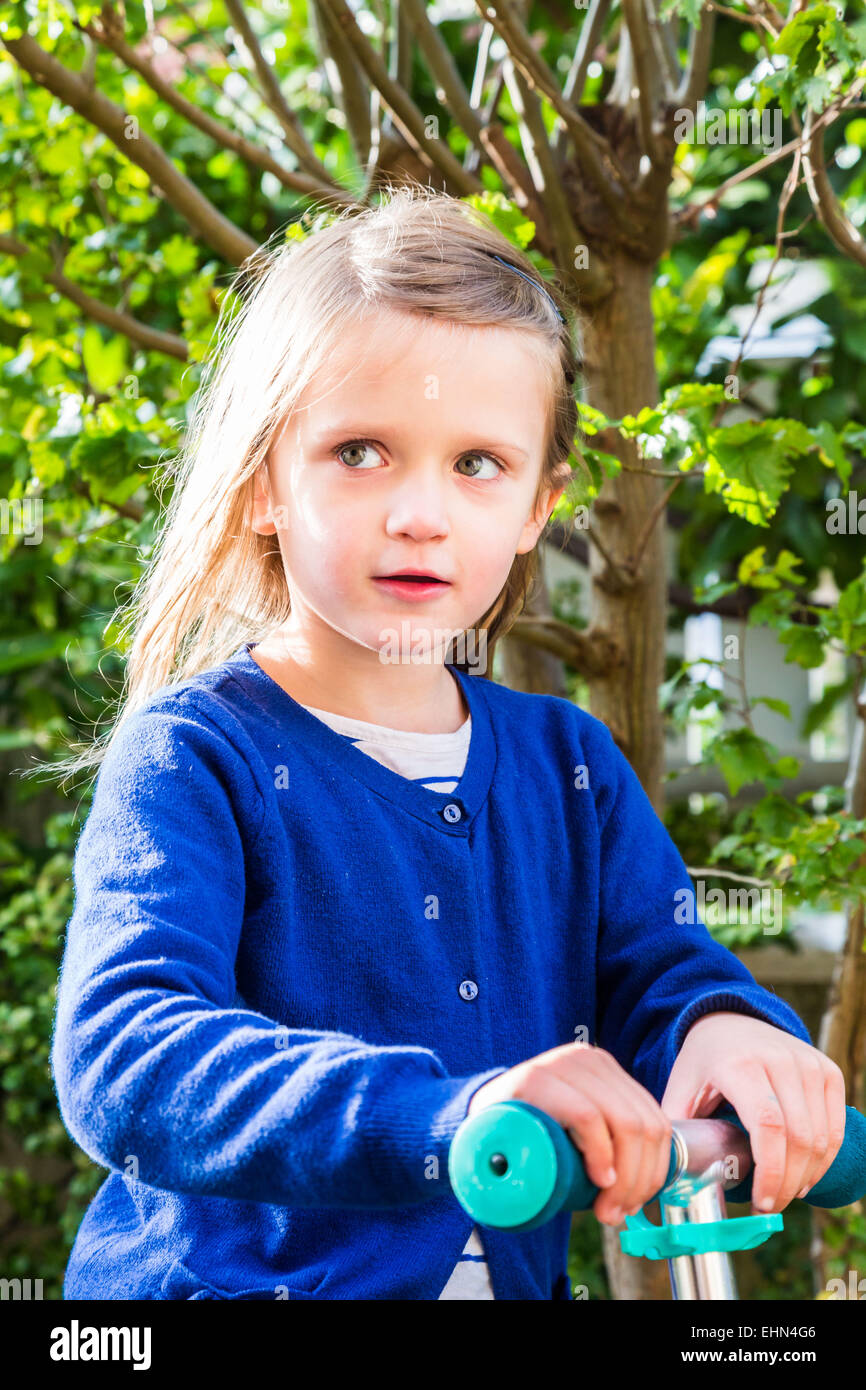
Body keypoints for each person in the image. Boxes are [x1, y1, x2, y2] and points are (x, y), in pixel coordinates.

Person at [48, 185, 846, 1300]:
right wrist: (447, 1111)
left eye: (476, 463)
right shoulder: (199, 755)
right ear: (262, 482)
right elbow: (131, 1055)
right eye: (361, 451)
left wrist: (721, 1031)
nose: (419, 512)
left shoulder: (566, 766)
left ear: (535, 504)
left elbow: (658, 975)